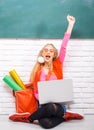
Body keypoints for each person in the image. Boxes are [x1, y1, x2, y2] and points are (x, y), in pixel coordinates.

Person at [9, 15, 84, 129]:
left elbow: (63, 46)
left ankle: (27, 118)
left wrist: (71, 25)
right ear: (42, 54)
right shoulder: (37, 71)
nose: (48, 51)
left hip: (58, 106)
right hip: (43, 106)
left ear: (54, 54)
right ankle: (65, 117)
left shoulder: (57, 65)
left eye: (51, 50)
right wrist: (42, 98)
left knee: (51, 107)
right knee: (45, 123)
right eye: (46, 50)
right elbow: (35, 92)